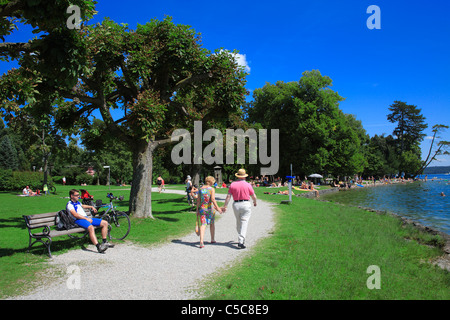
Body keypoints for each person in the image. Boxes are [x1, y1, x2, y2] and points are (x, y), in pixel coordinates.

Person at [66, 189, 113, 253]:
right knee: (91, 227)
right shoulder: (70, 204)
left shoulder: (78, 202)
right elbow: (75, 215)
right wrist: (86, 219)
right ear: (71, 196)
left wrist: (91, 207)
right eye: (76, 195)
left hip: (86, 218)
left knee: (104, 223)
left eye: (78, 195)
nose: (78, 196)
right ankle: (98, 247)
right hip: (78, 220)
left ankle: (104, 242)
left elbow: (83, 206)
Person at [222, 168, 257, 249]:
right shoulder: (248, 185)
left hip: (236, 204)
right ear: (244, 176)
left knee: (239, 221)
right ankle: (241, 240)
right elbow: (253, 195)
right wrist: (255, 202)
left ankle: (240, 236)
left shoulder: (233, 184)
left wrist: (225, 206)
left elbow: (228, 196)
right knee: (244, 222)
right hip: (246, 204)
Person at [196, 177, 222, 248]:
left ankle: (201, 241)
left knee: (203, 224)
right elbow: (213, 199)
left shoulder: (200, 189)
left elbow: (198, 200)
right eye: (213, 182)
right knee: (212, 223)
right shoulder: (211, 189)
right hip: (210, 209)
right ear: (211, 182)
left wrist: (197, 209)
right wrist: (218, 208)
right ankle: (212, 239)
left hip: (202, 209)